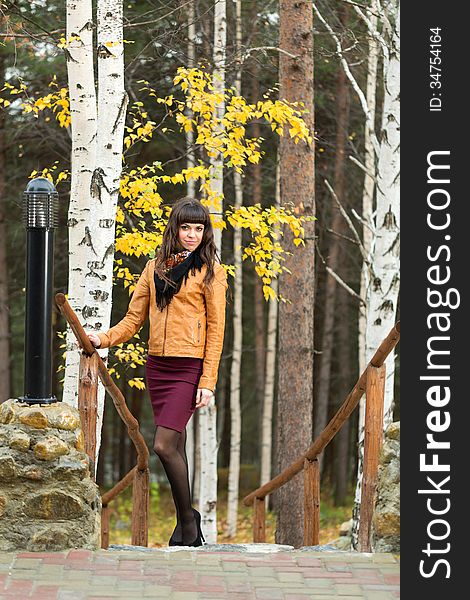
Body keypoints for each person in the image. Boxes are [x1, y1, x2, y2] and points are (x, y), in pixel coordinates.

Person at [87, 197, 228, 547]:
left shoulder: (211, 271)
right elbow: (134, 320)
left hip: (189, 367)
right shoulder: (154, 269)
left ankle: (188, 521)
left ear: (204, 232)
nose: (192, 235)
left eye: (199, 228)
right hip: (158, 367)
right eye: (186, 227)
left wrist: (207, 382)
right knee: (174, 445)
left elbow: (216, 331)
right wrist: (102, 339)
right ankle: (187, 526)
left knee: (163, 445)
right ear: (175, 229)